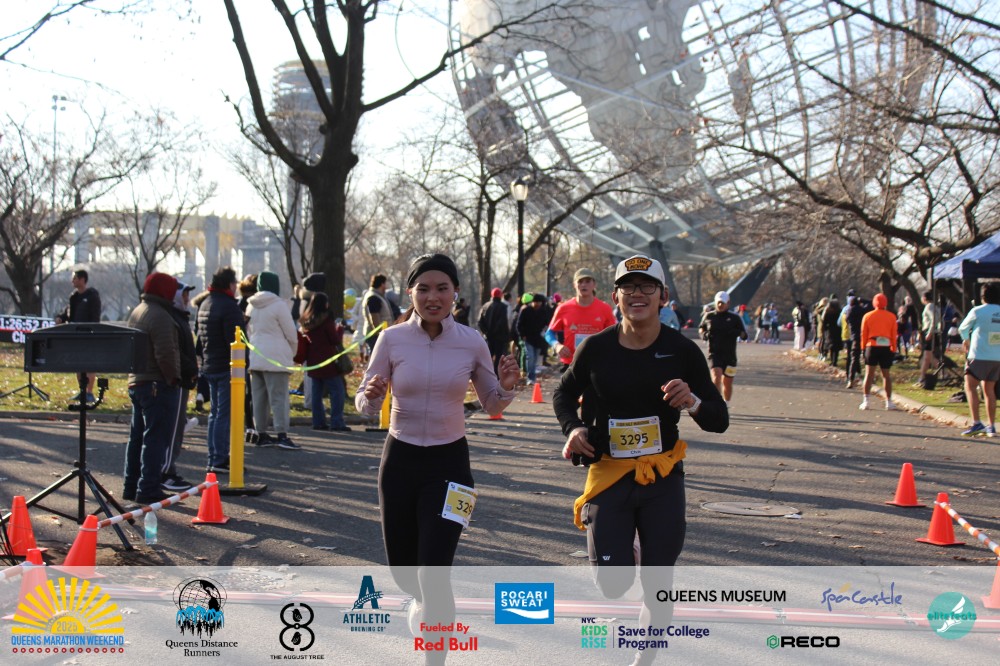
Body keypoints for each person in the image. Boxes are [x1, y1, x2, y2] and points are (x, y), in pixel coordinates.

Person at [553, 254, 728, 666]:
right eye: (628, 287)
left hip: (661, 476)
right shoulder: (596, 348)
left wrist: (693, 401)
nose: (637, 294)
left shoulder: (681, 351)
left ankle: (644, 659)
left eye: (647, 286)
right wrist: (573, 428)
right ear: (615, 296)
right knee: (613, 585)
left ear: (663, 296)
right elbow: (563, 393)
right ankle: (625, 548)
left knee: (658, 583)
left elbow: (718, 419)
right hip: (610, 473)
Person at [355, 253, 519, 665]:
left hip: (451, 466)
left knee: (435, 572)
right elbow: (364, 404)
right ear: (410, 293)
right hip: (400, 461)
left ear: (455, 293)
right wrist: (370, 397)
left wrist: (507, 386)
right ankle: (423, 604)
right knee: (406, 574)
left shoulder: (471, 341)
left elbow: (492, 404)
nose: (433, 297)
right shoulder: (392, 339)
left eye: (442, 288)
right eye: (424, 289)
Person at [123, 272, 183, 504]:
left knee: (137, 437)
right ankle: (148, 487)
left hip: (138, 380)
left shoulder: (139, 311)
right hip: (156, 382)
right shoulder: (160, 316)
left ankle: (131, 485)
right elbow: (165, 352)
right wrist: (173, 378)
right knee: (155, 438)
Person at [196, 266, 244, 474]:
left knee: (215, 414)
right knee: (224, 414)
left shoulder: (205, 303)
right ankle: (220, 458)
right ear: (230, 284)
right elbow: (235, 339)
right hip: (227, 366)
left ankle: (213, 456)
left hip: (210, 364)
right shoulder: (229, 306)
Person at [246, 271, 299, 450]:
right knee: (279, 398)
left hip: (256, 356)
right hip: (276, 356)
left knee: (259, 399)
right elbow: (291, 333)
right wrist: (291, 353)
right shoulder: (279, 305)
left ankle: (261, 434)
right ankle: (282, 434)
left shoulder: (251, 305)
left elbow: (249, 332)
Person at [160, 281, 199, 493]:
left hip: (181, 377)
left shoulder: (179, 316)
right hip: (177, 378)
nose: (187, 299)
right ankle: (165, 471)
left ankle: (168, 468)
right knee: (173, 429)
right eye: (184, 295)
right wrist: (190, 368)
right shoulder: (172, 318)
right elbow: (173, 350)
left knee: (175, 429)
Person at [295, 292, 351, 432]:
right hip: (328, 361)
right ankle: (337, 422)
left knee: (316, 393)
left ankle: (318, 422)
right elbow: (334, 339)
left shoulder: (307, 321)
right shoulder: (326, 319)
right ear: (325, 304)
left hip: (313, 361)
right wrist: (340, 329)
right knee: (337, 391)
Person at [545, 267, 617, 371]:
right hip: (571, 363)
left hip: (597, 363)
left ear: (594, 284)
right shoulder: (563, 308)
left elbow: (614, 335)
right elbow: (549, 333)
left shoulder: (605, 308)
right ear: (574, 284)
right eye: (580, 281)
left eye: (587, 281)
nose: (583, 285)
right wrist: (557, 346)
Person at [958, 283, 1000, 436]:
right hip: (997, 357)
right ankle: (991, 426)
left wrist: (966, 339)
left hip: (979, 355)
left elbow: (963, 328)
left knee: (969, 386)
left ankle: (977, 423)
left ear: (983, 297)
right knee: (989, 390)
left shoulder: (977, 311)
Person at [55, 268, 102, 402]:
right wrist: (61, 318)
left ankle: (89, 392)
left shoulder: (92, 296)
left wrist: (92, 331)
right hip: (75, 336)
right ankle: (82, 391)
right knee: (78, 364)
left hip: (88, 336)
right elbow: (68, 313)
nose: (73, 281)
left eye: (75, 278)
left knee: (89, 364)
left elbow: (95, 317)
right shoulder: (74, 297)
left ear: (82, 280)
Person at [698, 291, 748, 403]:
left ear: (728, 303)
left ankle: (726, 403)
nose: (720, 305)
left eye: (723, 303)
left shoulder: (735, 318)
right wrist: (704, 334)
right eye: (718, 303)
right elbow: (701, 328)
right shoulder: (709, 316)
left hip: (730, 356)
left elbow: (745, 335)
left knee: (727, 383)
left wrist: (737, 333)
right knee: (716, 377)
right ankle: (717, 404)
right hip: (714, 353)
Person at [859, 293, 898, 411]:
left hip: (872, 345)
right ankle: (888, 402)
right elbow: (894, 334)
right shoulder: (891, 317)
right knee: (886, 375)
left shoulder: (867, 316)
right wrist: (894, 348)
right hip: (886, 346)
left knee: (869, 374)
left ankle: (866, 401)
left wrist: (863, 348)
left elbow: (863, 333)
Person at [516, 292, 548, 384]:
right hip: (528, 338)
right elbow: (519, 324)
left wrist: (545, 330)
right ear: (532, 302)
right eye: (535, 302)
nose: (537, 304)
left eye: (539, 302)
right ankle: (530, 378)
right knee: (530, 357)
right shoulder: (526, 310)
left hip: (538, 339)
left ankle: (532, 376)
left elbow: (547, 323)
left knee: (535, 359)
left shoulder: (543, 312)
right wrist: (522, 335)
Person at [478, 287, 511, 375]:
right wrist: (507, 336)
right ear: (500, 295)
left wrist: (486, 332)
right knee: (499, 357)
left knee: (488, 357)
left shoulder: (485, 306)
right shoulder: (503, 307)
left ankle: (486, 374)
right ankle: (496, 375)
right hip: (499, 337)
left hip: (488, 337)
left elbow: (480, 321)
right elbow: (502, 322)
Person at [362, 273, 394, 355]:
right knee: (376, 358)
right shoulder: (373, 297)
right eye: (385, 284)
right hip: (376, 336)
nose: (386, 287)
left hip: (379, 334)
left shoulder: (377, 296)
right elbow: (374, 318)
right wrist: (380, 334)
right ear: (382, 284)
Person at [918, 290, 942, 387]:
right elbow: (940, 320)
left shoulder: (929, 306)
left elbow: (933, 319)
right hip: (935, 332)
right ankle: (922, 376)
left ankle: (939, 369)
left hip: (930, 332)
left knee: (927, 356)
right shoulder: (936, 307)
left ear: (924, 298)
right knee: (927, 357)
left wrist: (930, 332)